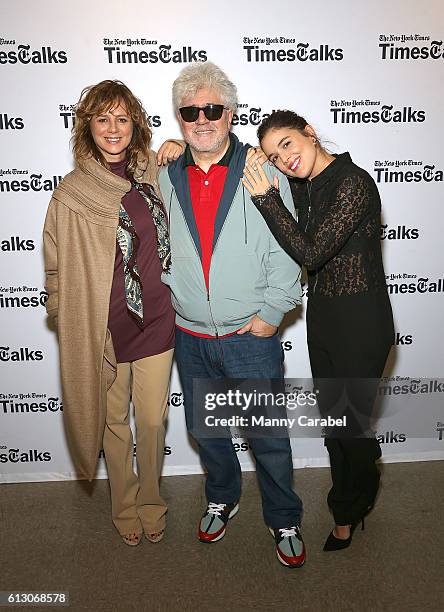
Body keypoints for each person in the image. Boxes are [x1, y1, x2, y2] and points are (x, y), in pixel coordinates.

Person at [158, 63, 306, 568]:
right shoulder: (166, 175)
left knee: (267, 435)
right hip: (190, 334)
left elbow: (288, 247)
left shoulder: (259, 170)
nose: (202, 119)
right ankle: (222, 496)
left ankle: (284, 515)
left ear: (230, 113)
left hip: (250, 334)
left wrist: (272, 312)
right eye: (190, 111)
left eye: (212, 109)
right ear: (179, 118)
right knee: (208, 432)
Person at [243, 110, 395, 551]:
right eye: (275, 153)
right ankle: (345, 509)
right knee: (335, 425)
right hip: (324, 318)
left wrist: (265, 198)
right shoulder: (301, 187)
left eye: (288, 143)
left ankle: (358, 493)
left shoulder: (354, 182)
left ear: (309, 132)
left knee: (350, 429)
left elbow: (310, 251)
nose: (284, 158)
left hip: (363, 321)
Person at [43, 80, 183, 546]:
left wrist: (176, 145)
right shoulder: (72, 192)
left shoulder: (150, 171)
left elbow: (192, 168)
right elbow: (55, 263)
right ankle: (124, 508)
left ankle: (151, 503)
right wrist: (67, 315)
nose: (113, 128)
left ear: (134, 125)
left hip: (158, 318)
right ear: (88, 126)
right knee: (113, 425)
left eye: (122, 119)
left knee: (150, 421)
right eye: (102, 119)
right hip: (103, 328)